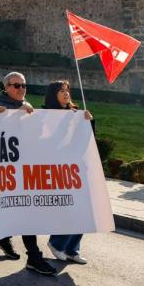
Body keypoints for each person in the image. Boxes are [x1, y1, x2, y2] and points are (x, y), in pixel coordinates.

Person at [0, 71, 59, 276]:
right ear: (6, 88)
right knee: (27, 213)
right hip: (8, 173)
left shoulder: (24, 105)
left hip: (24, 169)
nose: (21, 89)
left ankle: (3, 238)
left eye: (24, 85)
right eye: (16, 85)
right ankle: (34, 257)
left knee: (22, 211)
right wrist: (18, 112)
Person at [44, 80, 93, 265]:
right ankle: (57, 243)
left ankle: (72, 249)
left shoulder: (76, 113)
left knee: (83, 209)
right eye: (61, 91)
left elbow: (88, 141)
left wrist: (89, 121)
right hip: (60, 168)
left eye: (67, 90)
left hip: (78, 167)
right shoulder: (47, 114)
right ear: (53, 94)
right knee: (70, 208)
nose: (66, 93)